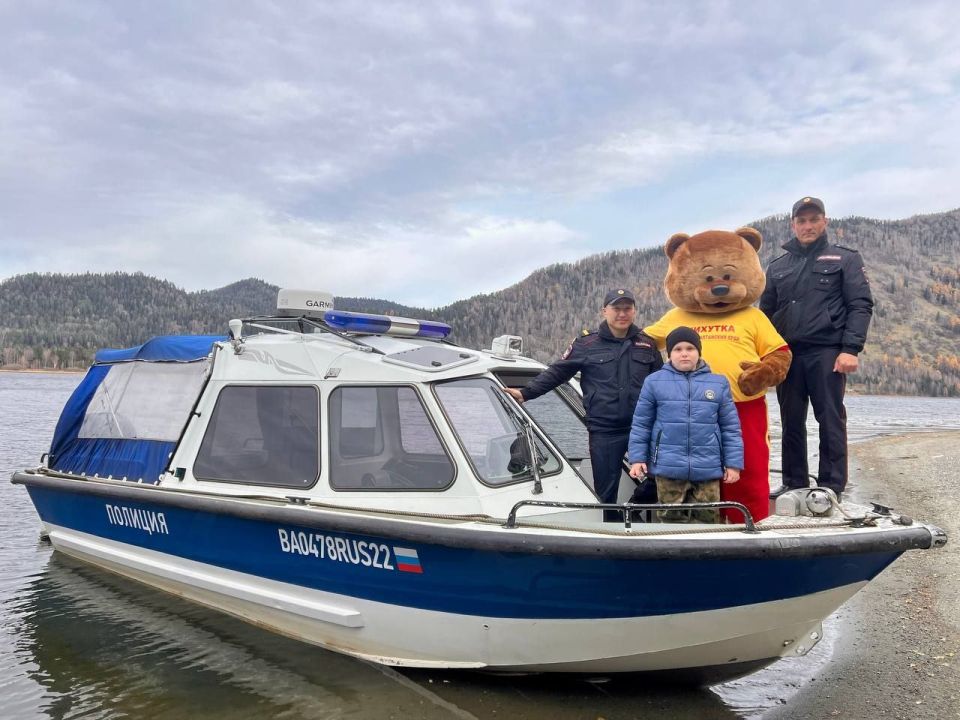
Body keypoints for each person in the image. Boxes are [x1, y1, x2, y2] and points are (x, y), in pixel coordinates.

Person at [759, 197, 874, 499]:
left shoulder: (844, 258)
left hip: (828, 352)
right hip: (788, 355)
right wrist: (766, 353)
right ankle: (794, 482)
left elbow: (860, 305)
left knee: (830, 417)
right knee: (791, 420)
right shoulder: (777, 266)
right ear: (793, 224)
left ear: (825, 222)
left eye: (813, 220)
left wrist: (851, 348)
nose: (807, 226)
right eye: (802, 221)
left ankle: (831, 485)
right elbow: (765, 315)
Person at [503, 288, 662, 505]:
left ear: (634, 311)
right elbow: (558, 372)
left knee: (661, 478)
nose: (622, 313)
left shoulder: (647, 344)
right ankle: (611, 529)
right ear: (604, 311)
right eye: (617, 308)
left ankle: (633, 509)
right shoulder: (586, 344)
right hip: (605, 430)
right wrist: (525, 393)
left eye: (627, 308)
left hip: (643, 428)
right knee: (606, 493)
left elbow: (662, 384)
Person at [627, 327, 743, 523]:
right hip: (667, 467)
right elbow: (641, 424)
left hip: (707, 468)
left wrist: (733, 464)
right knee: (671, 521)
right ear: (669, 353)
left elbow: (730, 427)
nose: (684, 353)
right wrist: (637, 459)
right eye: (678, 349)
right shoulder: (654, 382)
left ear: (699, 352)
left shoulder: (718, 383)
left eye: (690, 348)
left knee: (708, 521)